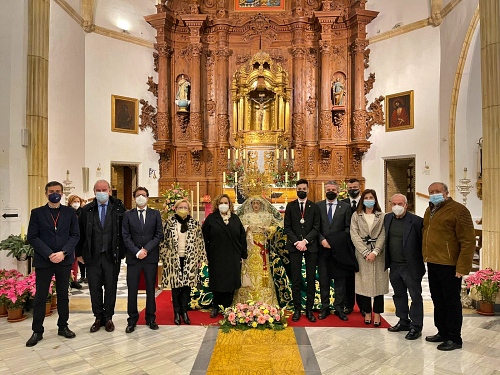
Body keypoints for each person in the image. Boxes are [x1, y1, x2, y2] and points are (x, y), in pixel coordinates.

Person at [26, 181, 80, 347]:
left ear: (62, 193)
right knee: (41, 296)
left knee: (63, 295)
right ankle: (37, 330)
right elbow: (32, 237)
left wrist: (63, 253)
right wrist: (49, 254)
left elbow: (75, 235)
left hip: (64, 260)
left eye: (57, 191)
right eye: (51, 191)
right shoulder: (37, 213)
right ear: (46, 193)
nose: (54, 194)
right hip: (44, 260)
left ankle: (63, 326)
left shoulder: (70, 212)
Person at [423, 182, 475, 351]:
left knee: (451, 302)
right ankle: (442, 332)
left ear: (446, 192)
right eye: (431, 192)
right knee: (437, 300)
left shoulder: (458, 210)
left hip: (450, 265)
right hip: (433, 262)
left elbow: (468, 241)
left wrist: (462, 267)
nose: (434, 194)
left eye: (438, 191)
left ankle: (454, 338)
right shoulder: (429, 209)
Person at [76, 180, 126, 333]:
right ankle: (98, 317)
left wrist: (122, 253)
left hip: (112, 255)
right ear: (94, 191)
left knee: (111, 287)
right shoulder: (86, 210)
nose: (101, 192)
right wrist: (78, 253)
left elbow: (124, 232)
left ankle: (109, 317)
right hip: (92, 256)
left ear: (110, 191)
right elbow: (80, 233)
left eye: (104, 189)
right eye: (98, 190)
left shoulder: (118, 208)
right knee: (94, 288)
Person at [122, 187, 163, 333]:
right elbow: (125, 236)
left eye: (143, 195)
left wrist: (146, 249)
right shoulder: (127, 215)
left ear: (147, 197)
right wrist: (137, 251)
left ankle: (150, 318)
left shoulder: (155, 214)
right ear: (134, 198)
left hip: (150, 257)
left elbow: (159, 235)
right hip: (133, 258)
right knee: (132, 290)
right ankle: (132, 320)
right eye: (138, 195)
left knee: (151, 290)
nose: (141, 197)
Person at [384, 194, 425, 340]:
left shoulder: (416, 221)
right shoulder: (387, 218)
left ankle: (416, 326)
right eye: (394, 203)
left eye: (400, 203)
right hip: (394, 265)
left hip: (411, 266)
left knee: (415, 296)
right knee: (399, 295)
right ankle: (403, 321)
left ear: (406, 205)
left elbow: (423, 243)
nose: (396, 206)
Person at [202, 194, 247, 318]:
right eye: (221, 202)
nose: (223, 205)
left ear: (230, 205)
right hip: (216, 255)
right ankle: (216, 306)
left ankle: (227, 306)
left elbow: (242, 237)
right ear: (217, 204)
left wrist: (243, 254)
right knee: (218, 281)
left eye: (226, 203)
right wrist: (205, 254)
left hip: (233, 255)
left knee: (230, 282)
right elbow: (204, 238)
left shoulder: (235, 219)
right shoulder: (211, 218)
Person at [162, 199, 206, 325]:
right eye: (180, 207)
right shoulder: (169, 223)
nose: (183, 209)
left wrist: (199, 258)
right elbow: (163, 241)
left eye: (185, 207)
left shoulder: (194, 223)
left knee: (187, 287)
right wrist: (165, 257)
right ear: (175, 209)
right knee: (176, 287)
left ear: (189, 210)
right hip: (173, 258)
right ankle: (176, 312)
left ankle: (184, 311)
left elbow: (200, 242)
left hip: (190, 259)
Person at [234, 196, 283, 305]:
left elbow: (276, 226)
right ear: (250, 205)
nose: (256, 205)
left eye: (258, 203)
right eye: (254, 203)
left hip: (262, 247)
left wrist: (267, 229)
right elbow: (239, 228)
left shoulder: (267, 216)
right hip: (250, 247)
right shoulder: (245, 217)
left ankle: (265, 300)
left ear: (261, 204)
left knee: (263, 271)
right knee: (248, 271)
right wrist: (247, 228)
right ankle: (245, 300)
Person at [317, 181, 355, 321]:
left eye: (333, 189)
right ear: (325, 191)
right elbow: (316, 227)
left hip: (339, 250)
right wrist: (322, 240)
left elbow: (348, 228)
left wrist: (334, 242)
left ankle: (339, 308)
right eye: (328, 189)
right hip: (322, 250)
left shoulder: (345, 207)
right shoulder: (318, 206)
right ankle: (325, 308)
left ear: (338, 191)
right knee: (324, 280)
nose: (330, 191)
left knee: (340, 281)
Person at [284, 179, 321, 322]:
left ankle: (309, 310)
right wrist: (297, 242)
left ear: (308, 189)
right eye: (299, 188)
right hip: (295, 247)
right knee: (296, 279)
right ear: (296, 189)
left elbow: (317, 227)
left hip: (310, 246)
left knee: (311, 279)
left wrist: (305, 241)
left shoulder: (314, 207)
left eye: (304, 188)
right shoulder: (290, 206)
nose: (301, 190)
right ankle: (297, 309)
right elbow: (287, 227)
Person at [350, 189, 388, 327]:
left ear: (375, 199)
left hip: (378, 255)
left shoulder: (382, 216)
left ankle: (377, 313)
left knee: (379, 285)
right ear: (362, 200)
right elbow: (354, 234)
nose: (369, 199)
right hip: (362, 255)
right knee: (364, 285)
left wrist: (376, 251)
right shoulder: (356, 215)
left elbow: (384, 234)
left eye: (371, 197)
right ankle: (367, 312)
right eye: (366, 197)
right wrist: (365, 252)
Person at [341, 178, 362, 315]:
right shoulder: (342, 203)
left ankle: (363, 305)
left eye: (355, 187)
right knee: (348, 276)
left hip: (362, 244)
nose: (352, 189)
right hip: (347, 244)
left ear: (360, 187)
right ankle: (348, 304)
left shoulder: (366, 202)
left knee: (361, 275)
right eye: (350, 187)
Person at [67, 194, 84, 289]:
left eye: (78, 201)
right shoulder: (67, 212)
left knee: (75, 261)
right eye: (74, 202)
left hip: (79, 239)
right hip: (69, 239)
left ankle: (74, 280)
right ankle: (68, 279)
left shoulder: (82, 212)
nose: (76, 204)